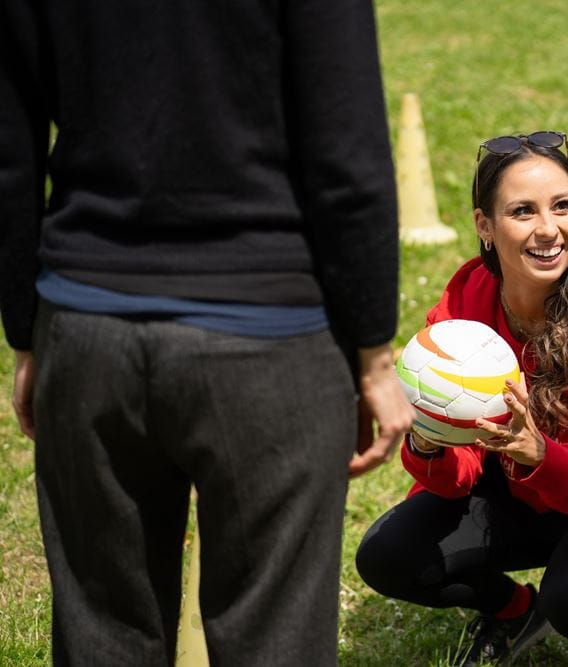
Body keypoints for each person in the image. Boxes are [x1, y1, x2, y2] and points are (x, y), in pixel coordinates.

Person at [0, 0, 413, 664]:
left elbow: (9, 146)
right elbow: (347, 146)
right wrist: (373, 354)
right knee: (276, 639)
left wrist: (27, 329)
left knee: (101, 634)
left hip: (87, 326)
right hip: (269, 340)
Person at [355, 132, 568, 667]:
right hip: (518, 492)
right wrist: (430, 437)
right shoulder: (465, 304)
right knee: (389, 557)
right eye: (523, 211)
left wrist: (538, 453)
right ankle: (517, 611)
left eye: (562, 206)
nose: (549, 229)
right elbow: (456, 476)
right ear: (485, 227)